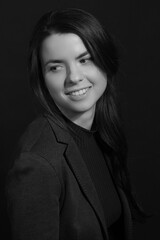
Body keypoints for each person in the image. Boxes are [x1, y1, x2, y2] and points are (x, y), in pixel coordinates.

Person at [6, 8, 145, 240]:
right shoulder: (37, 164)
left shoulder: (100, 130)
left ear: (105, 61)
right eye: (55, 67)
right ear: (42, 79)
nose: (73, 76)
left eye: (84, 59)